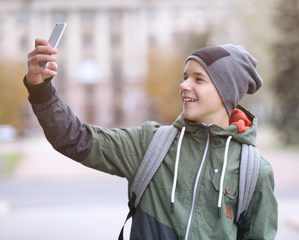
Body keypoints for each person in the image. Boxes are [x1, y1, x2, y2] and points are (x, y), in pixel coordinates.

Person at [25, 38, 278, 239]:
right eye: (185, 77)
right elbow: (73, 138)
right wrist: (40, 89)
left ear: (226, 92)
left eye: (198, 79)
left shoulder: (253, 170)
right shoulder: (152, 144)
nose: (184, 85)